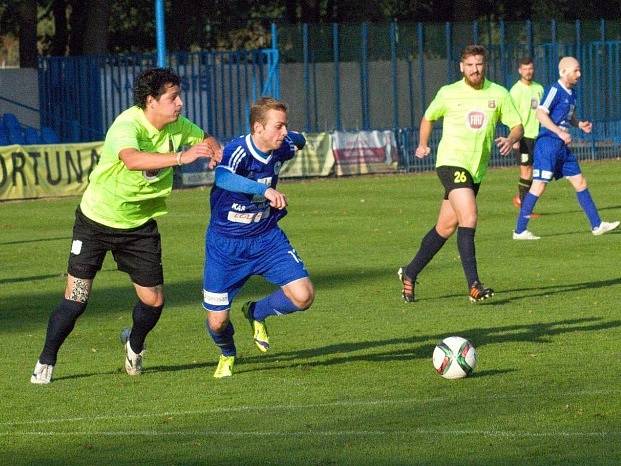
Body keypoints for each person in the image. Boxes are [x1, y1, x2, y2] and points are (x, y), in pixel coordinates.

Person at [30, 68, 222, 384]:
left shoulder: (177, 126)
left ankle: (133, 344)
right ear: (151, 101)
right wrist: (180, 159)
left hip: (138, 227)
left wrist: (212, 148)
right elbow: (132, 159)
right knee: (76, 299)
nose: (180, 103)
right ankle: (46, 361)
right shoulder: (128, 124)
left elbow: (204, 137)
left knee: (154, 300)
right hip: (96, 222)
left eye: (179, 96)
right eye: (173, 98)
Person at [399, 45, 523, 304]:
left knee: (445, 226)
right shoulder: (449, 92)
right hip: (451, 163)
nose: (475, 69)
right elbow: (428, 117)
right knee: (470, 215)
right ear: (461, 67)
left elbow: (517, 125)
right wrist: (423, 143)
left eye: (479, 64)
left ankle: (409, 273)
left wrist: (512, 138)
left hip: (475, 170)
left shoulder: (498, 93)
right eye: (470, 65)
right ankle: (474, 285)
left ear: (484, 65)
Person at [202, 97, 314, 378]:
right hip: (225, 246)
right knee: (217, 323)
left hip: (266, 239)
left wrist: (298, 139)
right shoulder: (237, 150)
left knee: (304, 296)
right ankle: (228, 353)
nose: (284, 132)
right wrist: (263, 191)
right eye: (278, 126)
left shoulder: (282, 145)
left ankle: (256, 312)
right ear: (258, 128)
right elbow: (223, 179)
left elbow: (298, 140)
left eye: (285, 125)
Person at [513, 57, 619, 240]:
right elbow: (540, 114)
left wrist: (579, 124)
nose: (579, 74)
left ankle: (597, 225)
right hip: (548, 145)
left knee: (580, 182)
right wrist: (559, 133)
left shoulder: (572, 93)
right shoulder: (555, 90)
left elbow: (568, 116)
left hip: (561, 147)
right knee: (538, 186)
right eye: (575, 71)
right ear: (563, 72)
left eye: (579, 70)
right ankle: (520, 231)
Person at [510, 57, 544, 210]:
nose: (528, 71)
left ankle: (520, 197)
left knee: (542, 173)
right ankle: (525, 208)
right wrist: (515, 139)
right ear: (519, 71)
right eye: (525, 69)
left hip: (538, 136)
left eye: (530, 68)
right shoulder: (515, 91)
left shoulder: (539, 88)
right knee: (526, 170)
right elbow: (510, 115)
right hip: (523, 137)